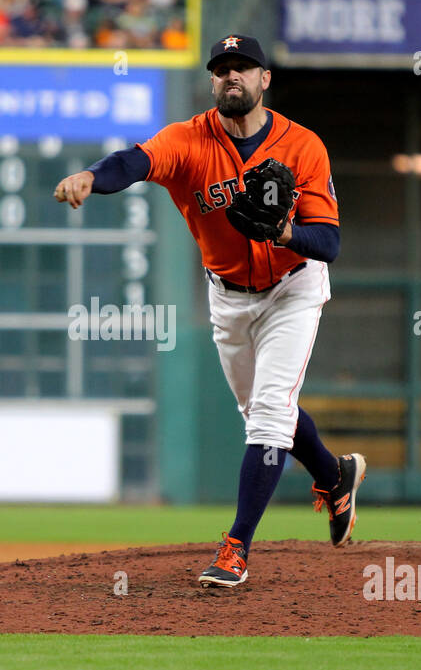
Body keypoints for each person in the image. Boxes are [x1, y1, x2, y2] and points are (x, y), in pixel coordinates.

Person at [54, 33, 366, 588]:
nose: (231, 76)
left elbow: (330, 243)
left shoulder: (304, 146)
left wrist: (284, 229)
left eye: (243, 67)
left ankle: (235, 549)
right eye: (222, 69)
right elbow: (135, 160)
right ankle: (333, 475)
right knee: (262, 416)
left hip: (293, 287)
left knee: (270, 413)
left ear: (265, 80)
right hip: (227, 295)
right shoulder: (190, 140)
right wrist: (92, 178)